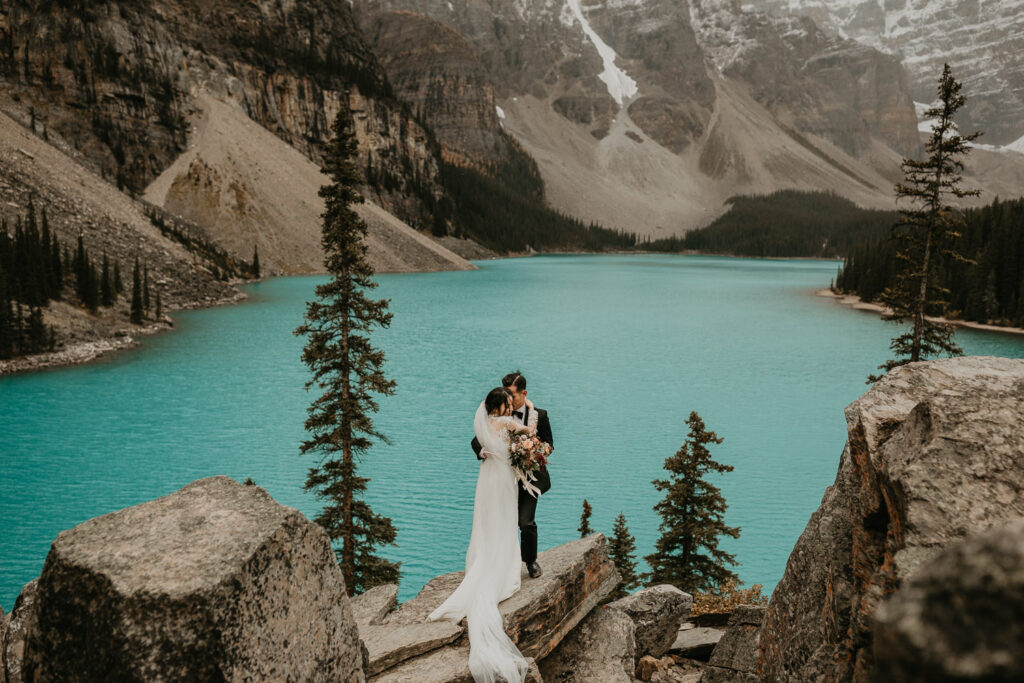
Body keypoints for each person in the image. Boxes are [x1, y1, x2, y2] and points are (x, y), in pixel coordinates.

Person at [428, 387, 531, 683]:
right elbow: (530, 432)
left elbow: (482, 446)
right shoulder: (509, 424)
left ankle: (485, 562)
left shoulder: (484, 425)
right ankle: (505, 566)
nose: (511, 407)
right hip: (502, 480)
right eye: (508, 403)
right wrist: (530, 413)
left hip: (487, 478)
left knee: (488, 523)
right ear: (499, 406)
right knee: (505, 520)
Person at [472, 371, 552, 579]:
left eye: (513, 395)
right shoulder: (498, 416)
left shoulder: (540, 415)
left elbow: (549, 444)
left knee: (525, 522)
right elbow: (477, 440)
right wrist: (483, 452)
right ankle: (500, 563)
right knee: (501, 520)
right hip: (502, 478)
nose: (509, 400)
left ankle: (531, 561)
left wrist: (535, 453)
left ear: (524, 393)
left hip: (529, 479)